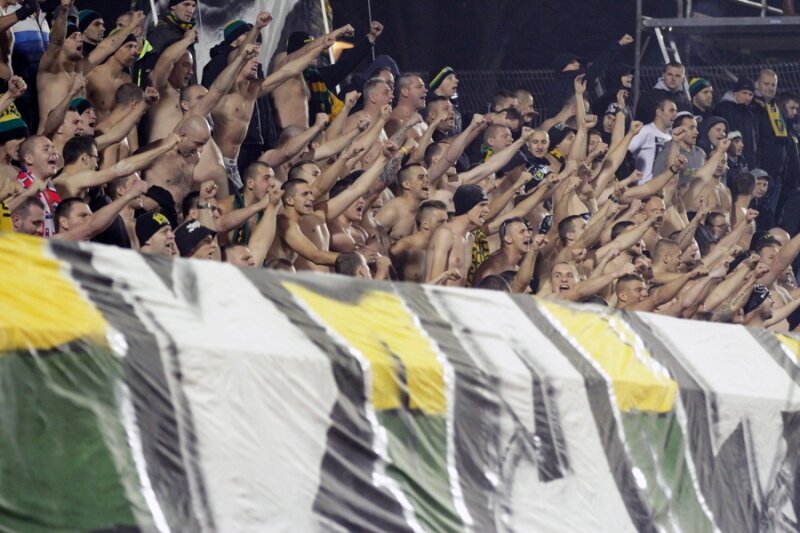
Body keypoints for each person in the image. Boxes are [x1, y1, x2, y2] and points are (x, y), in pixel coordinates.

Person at [425, 184, 489, 287]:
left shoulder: (470, 238)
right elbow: (431, 286)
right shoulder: (445, 235)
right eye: (482, 205)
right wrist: (446, 275)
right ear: (467, 206)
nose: (487, 210)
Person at [628, 95, 676, 182]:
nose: (675, 115)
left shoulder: (672, 138)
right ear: (659, 112)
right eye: (671, 110)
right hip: (643, 186)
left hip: (662, 187)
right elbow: (626, 151)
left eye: (676, 111)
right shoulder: (645, 131)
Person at [714, 78, 758, 169]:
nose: (747, 97)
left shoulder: (749, 113)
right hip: (730, 161)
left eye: (750, 94)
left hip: (747, 162)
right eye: (744, 93)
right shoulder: (724, 109)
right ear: (735, 93)